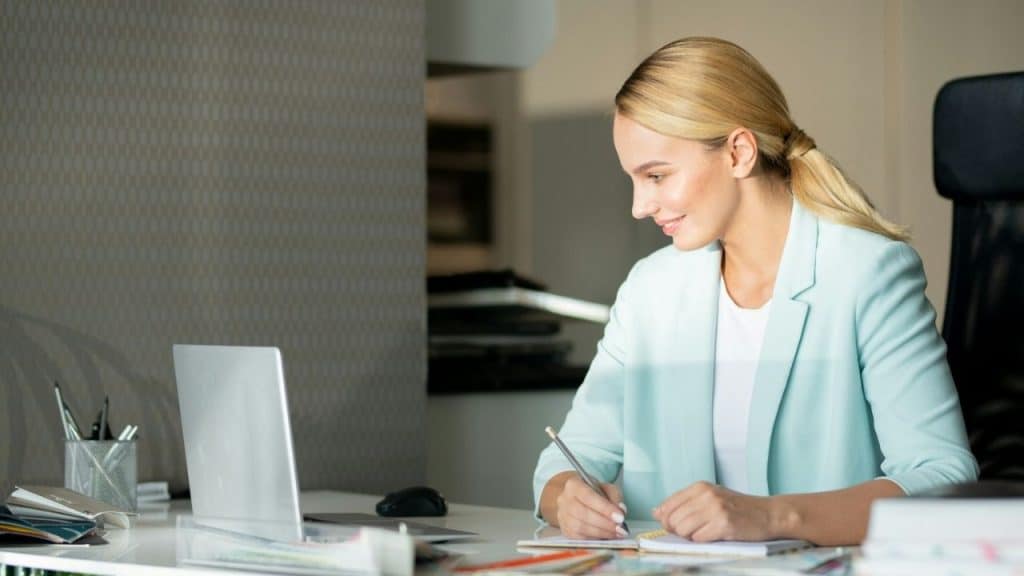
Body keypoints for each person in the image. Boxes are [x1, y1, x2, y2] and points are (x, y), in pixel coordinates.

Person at [533, 37, 978, 547]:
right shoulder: (650, 289)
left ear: (739, 153)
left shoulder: (866, 273)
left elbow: (942, 476)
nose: (639, 205)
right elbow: (564, 461)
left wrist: (774, 517)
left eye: (656, 175)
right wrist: (567, 495)